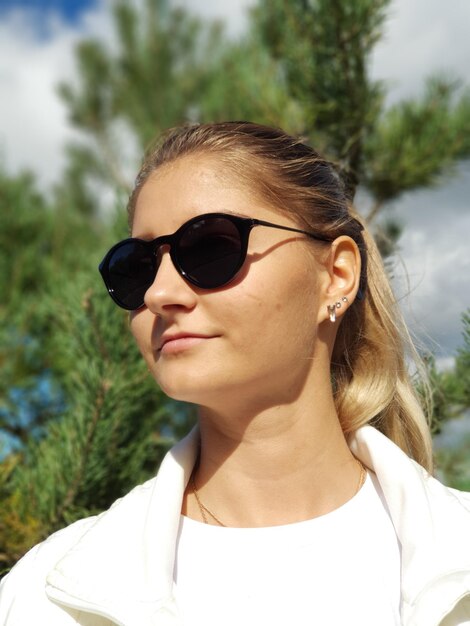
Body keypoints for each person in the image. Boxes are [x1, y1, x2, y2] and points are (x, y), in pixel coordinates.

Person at [1, 121, 469, 626]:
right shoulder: (43, 596)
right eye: (135, 267)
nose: (159, 294)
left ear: (336, 275)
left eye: (209, 247)